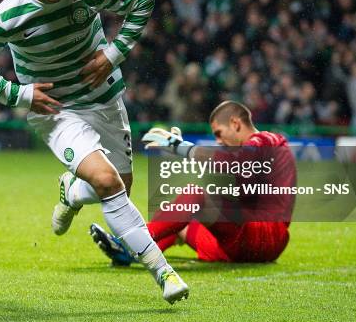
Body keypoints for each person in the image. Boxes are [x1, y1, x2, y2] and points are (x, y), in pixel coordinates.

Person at [0, 0, 188, 304]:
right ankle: (163, 273)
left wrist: (113, 54)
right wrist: (19, 94)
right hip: (57, 110)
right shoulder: (10, 14)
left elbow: (142, 1)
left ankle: (72, 192)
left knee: (120, 188)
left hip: (105, 97)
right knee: (109, 183)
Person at [91, 100, 296, 265]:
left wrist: (179, 147)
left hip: (263, 235)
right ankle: (137, 254)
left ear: (235, 123)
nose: (218, 141)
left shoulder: (268, 140)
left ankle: (134, 242)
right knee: (178, 218)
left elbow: (232, 166)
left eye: (219, 133)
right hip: (240, 246)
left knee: (194, 195)